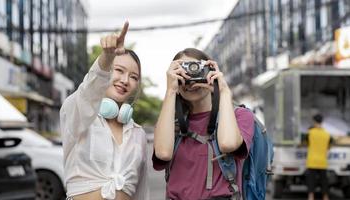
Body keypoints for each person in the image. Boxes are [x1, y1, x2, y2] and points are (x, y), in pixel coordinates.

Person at [60, 22, 148, 200]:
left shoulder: (139, 134)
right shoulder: (78, 113)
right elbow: (89, 91)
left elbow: (141, 193)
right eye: (118, 70)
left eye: (134, 77)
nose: (125, 80)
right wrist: (107, 57)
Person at [152, 48, 255, 200]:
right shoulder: (170, 122)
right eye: (183, 72)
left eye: (197, 69)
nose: (191, 77)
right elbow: (163, 153)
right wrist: (171, 91)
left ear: (210, 72)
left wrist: (224, 91)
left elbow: (228, 144)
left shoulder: (239, 115)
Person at [306, 114, 331, 200]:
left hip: (312, 160)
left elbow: (307, 143)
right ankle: (325, 196)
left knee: (311, 180)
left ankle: (311, 196)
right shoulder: (327, 134)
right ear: (322, 121)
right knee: (324, 181)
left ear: (314, 121)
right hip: (322, 161)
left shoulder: (310, 132)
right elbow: (328, 147)